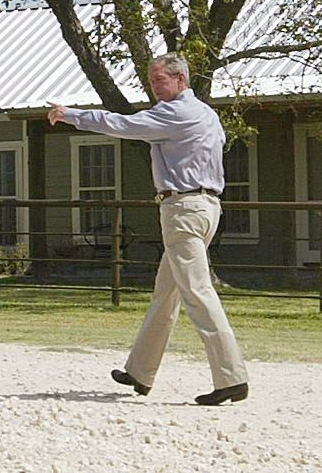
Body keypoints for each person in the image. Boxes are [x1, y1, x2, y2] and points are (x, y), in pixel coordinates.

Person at [47, 54, 250, 406]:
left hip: (184, 209)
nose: (154, 86)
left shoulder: (174, 113)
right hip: (204, 207)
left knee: (197, 293)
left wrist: (70, 115)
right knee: (165, 293)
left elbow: (123, 126)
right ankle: (141, 371)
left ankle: (232, 377)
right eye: (151, 80)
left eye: (160, 80)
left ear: (181, 81)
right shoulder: (206, 112)